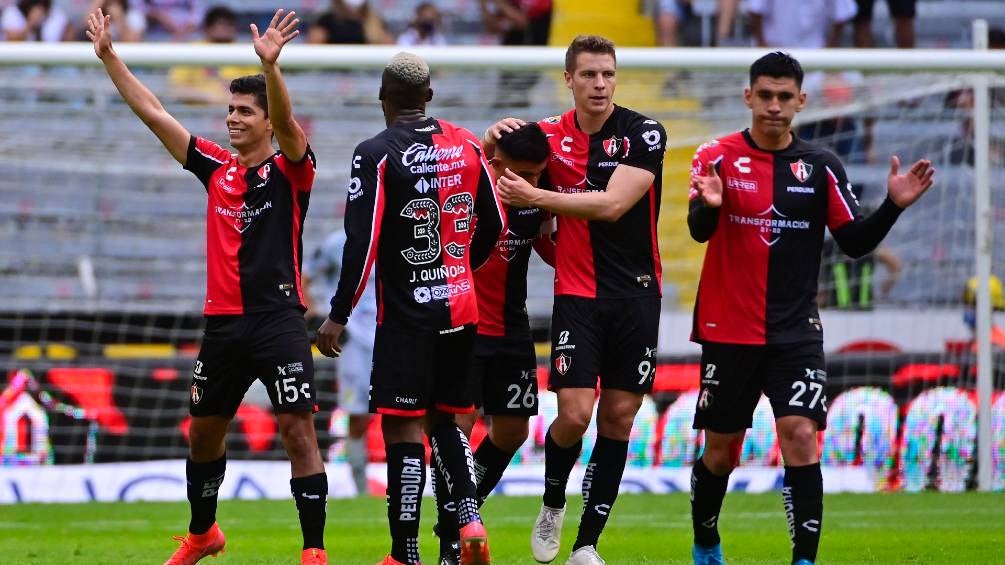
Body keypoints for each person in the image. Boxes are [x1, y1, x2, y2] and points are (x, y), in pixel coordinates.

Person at [87, 7, 330, 565]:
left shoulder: (294, 168)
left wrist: (270, 68)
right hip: (223, 324)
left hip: (278, 320)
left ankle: (313, 550)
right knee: (203, 434)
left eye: (246, 111)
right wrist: (109, 57)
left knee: (298, 432)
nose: (234, 119)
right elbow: (155, 114)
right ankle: (203, 534)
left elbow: (291, 127)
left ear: (268, 121)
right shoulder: (216, 168)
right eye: (230, 110)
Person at [686, 51, 934, 565]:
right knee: (720, 450)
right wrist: (708, 206)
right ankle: (706, 539)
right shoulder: (716, 155)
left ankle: (804, 559)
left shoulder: (821, 166)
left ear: (801, 100)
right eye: (765, 95)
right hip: (728, 329)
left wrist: (892, 205)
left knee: (800, 436)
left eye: (785, 97)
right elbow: (697, 231)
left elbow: (854, 242)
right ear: (748, 96)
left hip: (796, 331)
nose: (774, 106)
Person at [315, 52, 505, 565]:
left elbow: (362, 240)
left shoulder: (375, 153)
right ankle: (469, 517)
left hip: (407, 319)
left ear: (383, 99)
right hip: (462, 309)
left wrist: (338, 312)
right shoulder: (467, 143)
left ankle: (405, 553)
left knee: (402, 429)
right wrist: (461, 267)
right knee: (448, 421)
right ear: (429, 97)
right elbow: (495, 223)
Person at [489, 34, 667, 565]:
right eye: (588, 74)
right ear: (568, 79)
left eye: (608, 74)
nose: (600, 84)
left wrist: (537, 197)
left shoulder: (644, 134)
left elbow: (613, 205)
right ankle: (551, 503)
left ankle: (587, 544)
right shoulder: (546, 136)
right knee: (573, 415)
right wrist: (489, 138)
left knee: (618, 416)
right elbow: (494, 163)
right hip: (577, 296)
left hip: (636, 295)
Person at [431, 123, 555, 565]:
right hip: (461, 327)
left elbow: (554, 253)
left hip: (511, 327)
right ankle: (454, 541)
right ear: (496, 163)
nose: (534, 183)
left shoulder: (533, 201)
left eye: (540, 175)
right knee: (456, 430)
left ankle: (460, 516)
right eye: (526, 173)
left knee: (512, 431)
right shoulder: (466, 187)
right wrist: (482, 146)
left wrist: (549, 210)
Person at [302, 228, 377, 496]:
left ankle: (403, 483)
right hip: (354, 339)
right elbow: (306, 275)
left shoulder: (397, 234)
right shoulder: (338, 243)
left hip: (394, 334)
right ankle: (362, 490)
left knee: (404, 416)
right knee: (357, 416)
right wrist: (310, 310)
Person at [308, 0, 392, 45]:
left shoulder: (375, 21)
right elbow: (313, 48)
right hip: (333, 74)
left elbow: (389, 48)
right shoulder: (326, 20)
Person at [2, 0, 74, 42]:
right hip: (21, 62)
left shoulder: (56, 12)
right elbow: (11, 40)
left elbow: (69, 38)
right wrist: (30, 24)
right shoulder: (13, 12)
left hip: (52, 61)